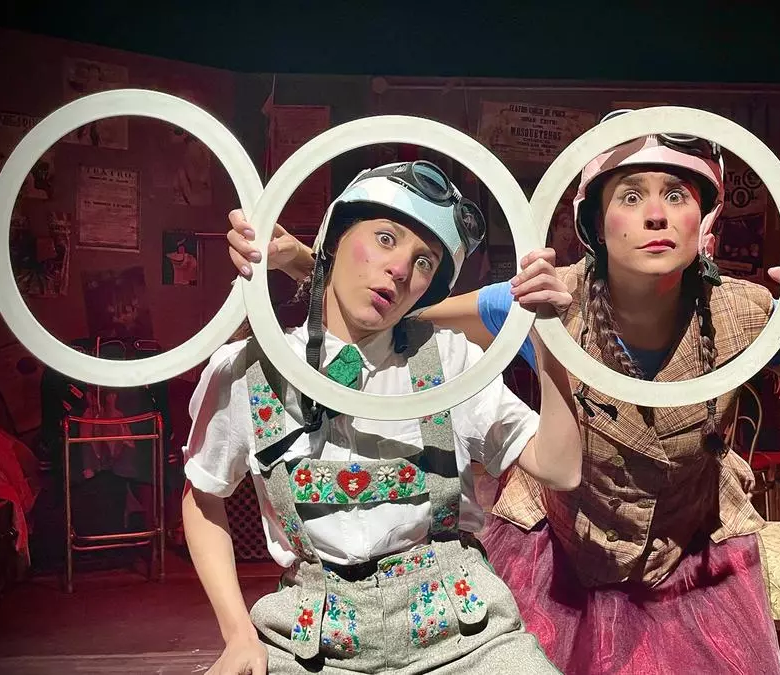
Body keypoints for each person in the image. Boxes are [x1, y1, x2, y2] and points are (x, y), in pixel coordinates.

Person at [228, 113, 780, 674]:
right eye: (630, 196)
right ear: (595, 222)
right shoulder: (543, 301)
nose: (656, 215)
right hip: (563, 551)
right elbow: (402, 311)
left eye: (677, 194)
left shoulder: (739, 314)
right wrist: (308, 262)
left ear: (705, 219)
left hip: (688, 559)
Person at [185, 159, 580, 674]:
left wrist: (549, 339)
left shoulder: (451, 363)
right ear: (334, 239)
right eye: (386, 238)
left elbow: (560, 469)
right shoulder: (248, 371)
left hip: (464, 635)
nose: (400, 269)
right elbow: (203, 495)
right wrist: (237, 634)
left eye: (424, 262)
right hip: (311, 642)